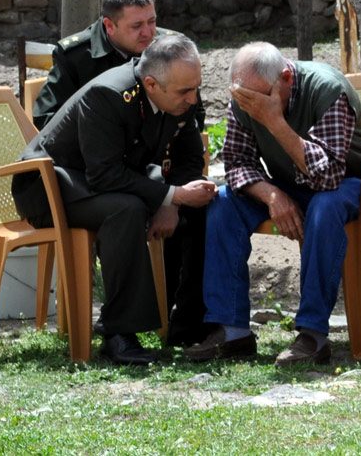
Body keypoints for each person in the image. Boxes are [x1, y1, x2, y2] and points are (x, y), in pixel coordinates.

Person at [12, 34, 217, 365]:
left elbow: (190, 158)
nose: (193, 99)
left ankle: (190, 323)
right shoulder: (108, 95)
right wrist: (172, 195)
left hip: (102, 183)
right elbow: (104, 175)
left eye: (196, 88)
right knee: (126, 210)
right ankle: (118, 332)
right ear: (151, 84)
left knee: (202, 207)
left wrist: (174, 203)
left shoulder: (176, 92)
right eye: (185, 92)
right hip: (50, 187)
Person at [184, 42, 361, 366]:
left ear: (287, 78)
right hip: (295, 186)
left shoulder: (328, 90)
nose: (252, 107)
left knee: (325, 206)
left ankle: (313, 335)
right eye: (244, 99)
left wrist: (275, 121)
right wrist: (272, 195)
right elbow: (236, 162)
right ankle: (232, 330)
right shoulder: (247, 98)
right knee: (223, 202)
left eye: (259, 99)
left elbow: (329, 176)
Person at [32, 0, 206, 131]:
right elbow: (47, 121)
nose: (148, 33)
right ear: (109, 26)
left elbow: (194, 114)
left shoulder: (170, 49)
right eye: (136, 26)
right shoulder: (77, 56)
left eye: (152, 21)